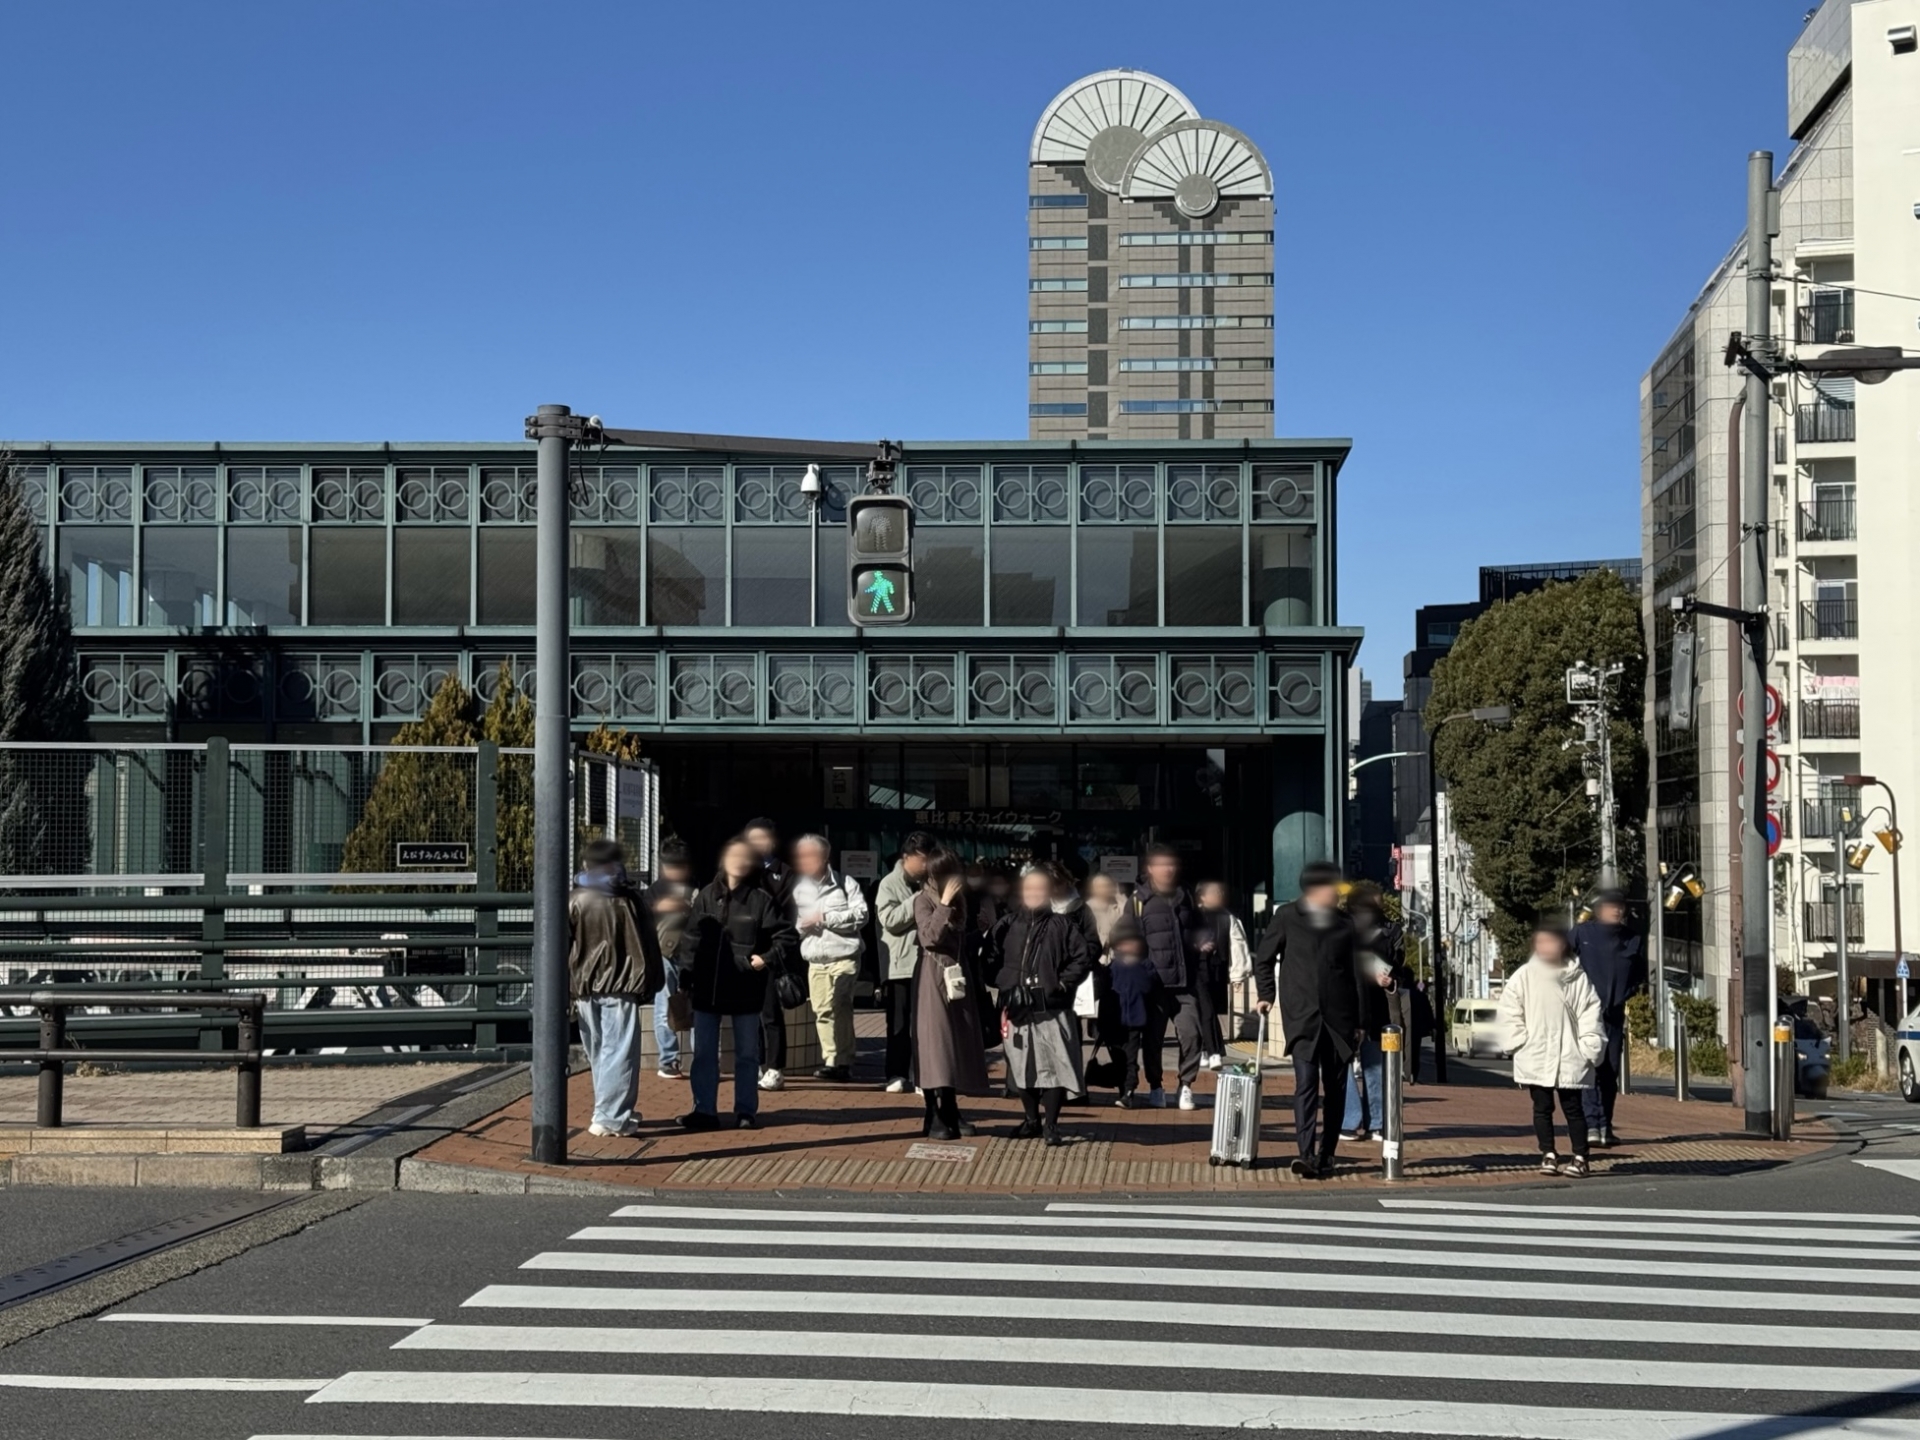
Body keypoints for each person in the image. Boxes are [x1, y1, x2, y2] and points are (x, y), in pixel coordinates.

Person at [676, 836, 797, 1132]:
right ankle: (704, 1110)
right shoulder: (707, 895)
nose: (738, 861)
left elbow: (786, 936)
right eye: (733, 855)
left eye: (744, 857)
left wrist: (765, 958)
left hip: (745, 986)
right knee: (704, 1054)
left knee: (747, 1055)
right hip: (707, 987)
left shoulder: (760, 899)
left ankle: (746, 1111)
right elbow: (690, 939)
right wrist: (685, 976)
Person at [1254, 862, 1363, 1180]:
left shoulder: (1345, 923)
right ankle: (1305, 1154)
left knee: (1336, 1088)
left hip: (1340, 1019)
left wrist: (1360, 1020)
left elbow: (1356, 974)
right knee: (1306, 1084)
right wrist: (1266, 995)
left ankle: (1327, 1154)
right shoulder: (1288, 917)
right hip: (1302, 1016)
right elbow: (1264, 959)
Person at [568, 839, 666, 1138]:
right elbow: (649, 943)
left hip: (584, 986)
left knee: (598, 1051)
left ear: (587, 864)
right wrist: (653, 981)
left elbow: (561, 944)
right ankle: (610, 1116)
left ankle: (608, 1110)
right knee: (619, 1052)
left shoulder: (574, 898)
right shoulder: (631, 899)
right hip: (624, 984)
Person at [1496, 920, 1606, 1178]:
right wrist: (1518, 1040)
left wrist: (1589, 1045)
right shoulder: (1525, 975)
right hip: (1535, 1052)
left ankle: (1581, 1157)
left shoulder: (1578, 977)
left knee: (1573, 1108)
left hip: (1570, 1054)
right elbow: (1509, 1009)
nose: (1546, 947)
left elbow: (1590, 1012)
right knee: (1542, 1108)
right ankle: (1548, 1153)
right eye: (1541, 942)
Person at [994, 864, 1094, 1144]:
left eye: (1040, 888)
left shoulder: (1063, 925)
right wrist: (1004, 983)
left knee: (1054, 1066)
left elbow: (1082, 957)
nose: (1034, 893)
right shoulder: (1007, 924)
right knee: (1021, 1066)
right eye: (1029, 888)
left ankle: (1051, 1124)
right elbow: (990, 957)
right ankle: (1031, 1120)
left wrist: (1061, 984)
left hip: (1052, 1008)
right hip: (1017, 1008)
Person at [911, 847, 992, 1139]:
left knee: (956, 1042)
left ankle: (951, 1107)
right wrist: (944, 903)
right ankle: (932, 1111)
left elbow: (958, 941)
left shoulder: (961, 900)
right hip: (932, 975)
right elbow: (929, 937)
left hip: (957, 976)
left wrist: (979, 932)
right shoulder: (922, 900)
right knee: (935, 1044)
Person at [1134, 843, 1213, 1110]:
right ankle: (1155, 1086)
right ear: (1150, 868)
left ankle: (1186, 1085)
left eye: (1171, 864)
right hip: (1154, 984)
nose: (1167, 869)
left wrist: (1202, 941)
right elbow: (1128, 937)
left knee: (1192, 1035)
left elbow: (1200, 927)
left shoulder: (1185, 895)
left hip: (1185, 982)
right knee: (1153, 1040)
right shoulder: (1139, 901)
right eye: (1161, 864)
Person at [1570, 889, 1645, 1149]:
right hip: (1586, 1014)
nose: (1616, 910)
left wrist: (1624, 993)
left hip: (1614, 1016)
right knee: (1589, 1067)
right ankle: (1592, 1124)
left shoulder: (1633, 939)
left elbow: (1638, 974)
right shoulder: (1582, 934)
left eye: (1620, 906)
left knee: (1610, 1072)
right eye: (1611, 906)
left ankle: (1606, 1126)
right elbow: (1562, 963)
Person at [791, 833, 867, 1083]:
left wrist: (824, 918)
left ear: (824, 857)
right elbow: (797, 927)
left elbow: (862, 915)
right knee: (822, 1010)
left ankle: (843, 1061)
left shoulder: (846, 884)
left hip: (844, 956)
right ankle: (831, 1060)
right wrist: (803, 925)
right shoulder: (800, 889)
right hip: (815, 959)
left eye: (810, 856)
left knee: (840, 1005)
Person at [875, 832, 936, 1093]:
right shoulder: (888, 884)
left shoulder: (932, 882)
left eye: (928, 859)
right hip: (899, 965)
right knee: (899, 1024)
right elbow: (889, 920)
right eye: (920, 859)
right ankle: (896, 1073)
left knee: (925, 1022)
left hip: (927, 962)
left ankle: (924, 1075)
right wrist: (918, 900)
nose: (925, 864)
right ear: (906, 857)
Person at [742, 817, 796, 1092]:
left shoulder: (785, 874)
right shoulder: (741, 869)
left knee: (770, 1013)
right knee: (747, 1015)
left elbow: (785, 916)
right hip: (743, 953)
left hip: (770, 953)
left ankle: (775, 1068)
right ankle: (756, 1063)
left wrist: (770, 956)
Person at [1340, 899, 1399, 1143]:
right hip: (1360, 1008)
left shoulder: (1383, 934)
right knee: (1369, 1067)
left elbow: (1397, 968)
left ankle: (1358, 1122)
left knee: (1361, 1066)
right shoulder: (1382, 934)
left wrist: (1389, 979)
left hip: (1361, 1009)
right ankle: (1372, 1123)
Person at [645, 839, 697, 1081]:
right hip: (664, 956)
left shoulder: (695, 889)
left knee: (697, 1007)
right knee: (664, 1005)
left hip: (692, 955)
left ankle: (703, 1060)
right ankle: (668, 1060)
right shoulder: (654, 892)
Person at [1104, 915, 1162, 1108]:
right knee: (1119, 1058)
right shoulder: (1112, 967)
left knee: (1130, 1059)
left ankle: (1128, 1091)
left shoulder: (1144, 965)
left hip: (1135, 1021)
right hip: (1116, 1021)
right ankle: (1124, 1089)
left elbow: (1149, 987)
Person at [1195, 881, 1247, 1071]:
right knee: (1206, 1010)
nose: (1218, 896)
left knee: (1206, 1012)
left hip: (1217, 970)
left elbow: (1238, 946)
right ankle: (1214, 1052)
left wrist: (1238, 975)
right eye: (1213, 893)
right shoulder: (1192, 916)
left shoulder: (1227, 918)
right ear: (1202, 896)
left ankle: (1202, 1050)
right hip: (1195, 970)